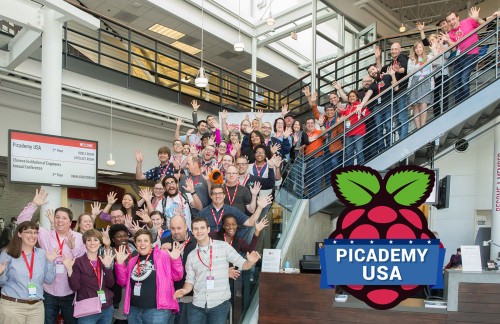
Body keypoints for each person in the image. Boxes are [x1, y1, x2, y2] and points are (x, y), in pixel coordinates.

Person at [173, 217, 261, 324]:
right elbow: (190, 281)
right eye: (196, 229)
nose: (199, 231)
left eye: (202, 228)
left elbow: (243, 264)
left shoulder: (223, 247)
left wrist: (250, 262)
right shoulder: (191, 256)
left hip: (219, 305)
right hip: (197, 305)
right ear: (192, 232)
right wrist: (183, 291)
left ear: (208, 229)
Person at [17, 189, 86, 324]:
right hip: (48, 292)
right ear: (53, 219)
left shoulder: (79, 238)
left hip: (70, 292)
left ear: (70, 221)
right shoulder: (43, 234)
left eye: (64, 218)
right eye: (57, 217)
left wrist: (73, 248)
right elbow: (21, 223)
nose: (60, 220)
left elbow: (81, 262)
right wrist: (34, 204)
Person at [114, 229, 184, 323]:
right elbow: (122, 282)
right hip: (134, 309)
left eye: (146, 241)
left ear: (151, 243)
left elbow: (177, 276)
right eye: (139, 241)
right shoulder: (132, 261)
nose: (142, 244)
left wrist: (176, 260)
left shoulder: (163, 255)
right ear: (135, 243)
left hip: (157, 310)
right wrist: (120, 264)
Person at [0, 221, 58, 323]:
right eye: (29, 232)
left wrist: (50, 262)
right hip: (13, 307)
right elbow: (1, 282)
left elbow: (49, 280)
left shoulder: (42, 253)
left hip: (36, 308)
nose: (33, 235)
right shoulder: (8, 253)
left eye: (35, 232)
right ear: (19, 234)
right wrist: (1, 273)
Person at [63, 229, 115, 324]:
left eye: (95, 240)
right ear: (84, 243)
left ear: (100, 243)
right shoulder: (78, 261)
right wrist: (69, 270)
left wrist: (107, 267)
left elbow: (111, 284)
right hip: (87, 310)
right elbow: (75, 287)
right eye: (89, 240)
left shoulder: (104, 260)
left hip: (106, 308)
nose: (92, 243)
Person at [160, 216, 197, 324]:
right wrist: (162, 253)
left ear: (186, 227)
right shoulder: (163, 242)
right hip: (169, 296)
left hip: (190, 295)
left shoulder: (196, 242)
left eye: (179, 228)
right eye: (173, 228)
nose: (176, 232)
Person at [358, 64, 399, 154]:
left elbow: (396, 88)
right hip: (378, 108)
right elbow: (367, 96)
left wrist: (392, 75)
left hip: (388, 104)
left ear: (377, 69)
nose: (372, 72)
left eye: (373, 69)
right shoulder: (373, 85)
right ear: (370, 75)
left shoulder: (387, 76)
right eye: (370, 72)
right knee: (378, 129)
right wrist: (361, 105)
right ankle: (382, 149)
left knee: (388, 126)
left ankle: (389, 146)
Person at [197, 185, 272, 233]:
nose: (217, 196)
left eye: (220, 193)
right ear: (211, 196)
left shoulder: (232, 210)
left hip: (228, 246)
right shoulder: (203, 213)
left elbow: (250, 222)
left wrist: (260, 207)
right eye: (215, 194)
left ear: (224, 196)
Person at [375, 42, 409, 140]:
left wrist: (397, 70)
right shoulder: (391, 63)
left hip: (401, 91)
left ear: (400, 50)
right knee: (397, 118)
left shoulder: (402, 57)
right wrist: (377, 58)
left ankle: (404, 139)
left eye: (396, 49)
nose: (393, 51)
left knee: (402, 117)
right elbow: (381, 71)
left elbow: (403, 69)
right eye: (392, 49)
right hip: (393, 93)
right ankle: (401, 139)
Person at [407, 41, 434, 129]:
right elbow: (409, 72)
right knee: (415, 106)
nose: (418, 49)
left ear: (423, 48)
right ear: (414, 50)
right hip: (415, 81)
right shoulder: (411, 59)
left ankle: (423, 126)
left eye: (420, 47)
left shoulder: (429, 57)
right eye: (416, 48)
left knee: (423, 104)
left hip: (426, 81)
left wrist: (433, 48)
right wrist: (414, 64)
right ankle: (418, 128)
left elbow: (438, 58)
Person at [339, 90, 370, 166]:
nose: (351, 98)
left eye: (353, 96)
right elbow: (344, 118)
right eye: (350, 96)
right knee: (349, 153)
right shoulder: (347, 107)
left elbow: (368, 116)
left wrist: (362, 110)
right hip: (348, 133)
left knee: (359, 151)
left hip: (359, 132)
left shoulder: (360, 105)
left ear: (357, 97)